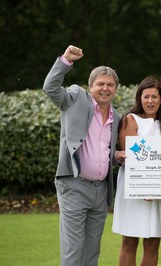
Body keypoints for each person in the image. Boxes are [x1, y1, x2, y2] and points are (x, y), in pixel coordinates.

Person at [43, 45, 121, 265]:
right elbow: (50, 87)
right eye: (100, 84)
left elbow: (106, 151)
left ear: (116, 88)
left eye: (110, 85)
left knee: (91, 252)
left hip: (101, 191)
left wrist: (118, 156)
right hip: (74, 186)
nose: (105, 88)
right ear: (91, 86)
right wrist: (65, 60)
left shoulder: (117, 116)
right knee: (73, 251)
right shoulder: (76, 98)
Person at [112, 76, 161, 266]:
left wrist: (155, 188)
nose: (150, 101)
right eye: (146, 96)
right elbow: (130, 158)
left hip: (159, 192)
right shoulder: (130, 120)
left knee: (153, 243)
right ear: (139, 98)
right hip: (134, 189)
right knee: (130, 242)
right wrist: (144, 187)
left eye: (154, 97)